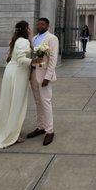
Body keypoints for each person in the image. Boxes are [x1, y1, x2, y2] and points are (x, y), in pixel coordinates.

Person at [0, 20, 40, 149]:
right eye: (29, 27)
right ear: (26, 29)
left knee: (8, 103)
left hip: (11, 72)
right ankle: (11, 135)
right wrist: (35, 62)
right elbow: (21, 59)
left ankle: (7, 130)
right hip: (18, 74)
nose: (30, 29)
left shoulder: (15, 40)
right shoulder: (23, 42)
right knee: (16, 104)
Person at [27, 17, 59, 146]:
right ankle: (40, 127)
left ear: (47, 25)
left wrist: (48, 76)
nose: (39, 26)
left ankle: (49, 131)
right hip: (34, 73)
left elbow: (53, 58)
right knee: (37, 101)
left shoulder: (52, 38)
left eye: (42, 24)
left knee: (46, 102)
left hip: (44, 74)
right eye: (38, 24)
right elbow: (33, 56)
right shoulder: (34, 39)